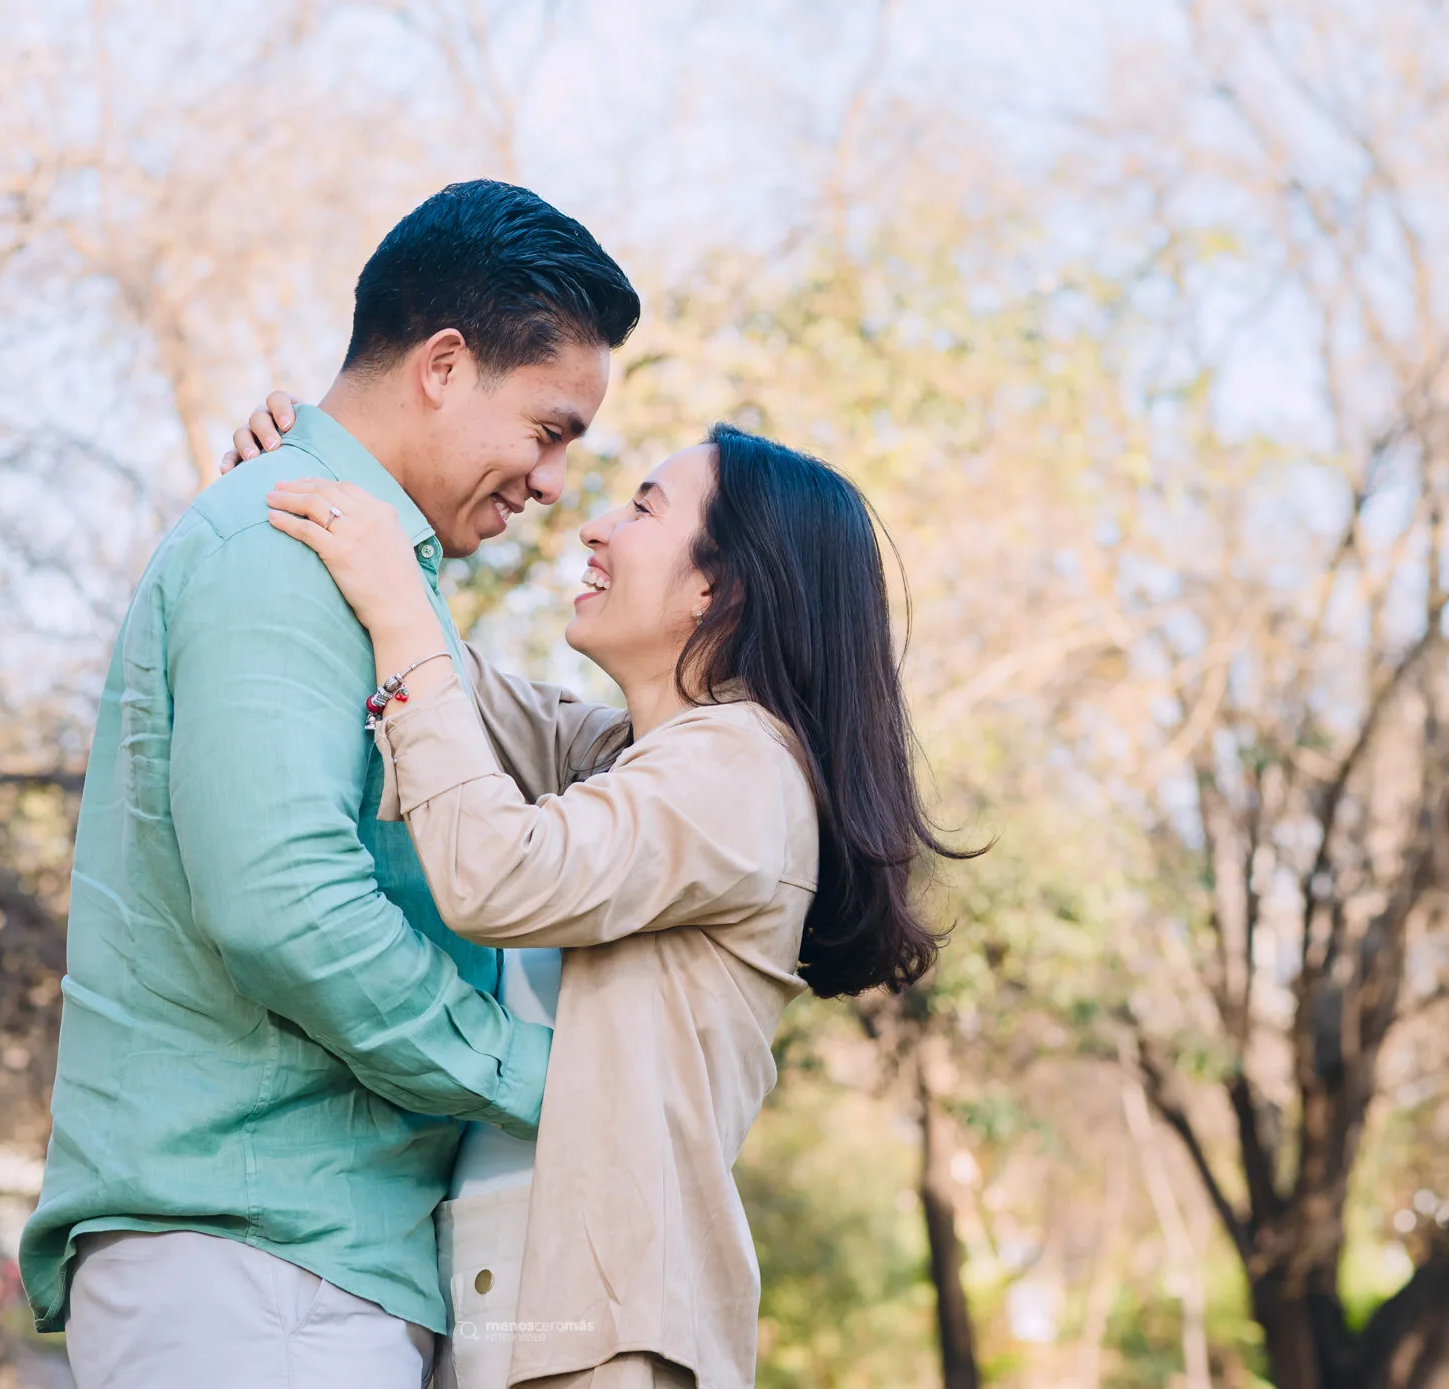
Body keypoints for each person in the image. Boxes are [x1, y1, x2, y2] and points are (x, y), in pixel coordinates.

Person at [18, 179, 641, 1389]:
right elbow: (283, 904)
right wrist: (540, 1087)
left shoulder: (350, 560)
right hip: (252, 1277)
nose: (555, 482)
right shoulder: (282, 549)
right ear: (446, 365)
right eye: (550, 428)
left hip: (297, 1272)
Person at [238, 406, 964, 1389]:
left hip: (607, 1339)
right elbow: (459, 696)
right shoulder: (631, 758)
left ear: (719, 584)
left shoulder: (743, 770)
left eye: (642, 508)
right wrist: (317, 500)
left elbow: (494, 869)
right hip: (542, 1321)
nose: (594, 526)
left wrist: (398, 606)